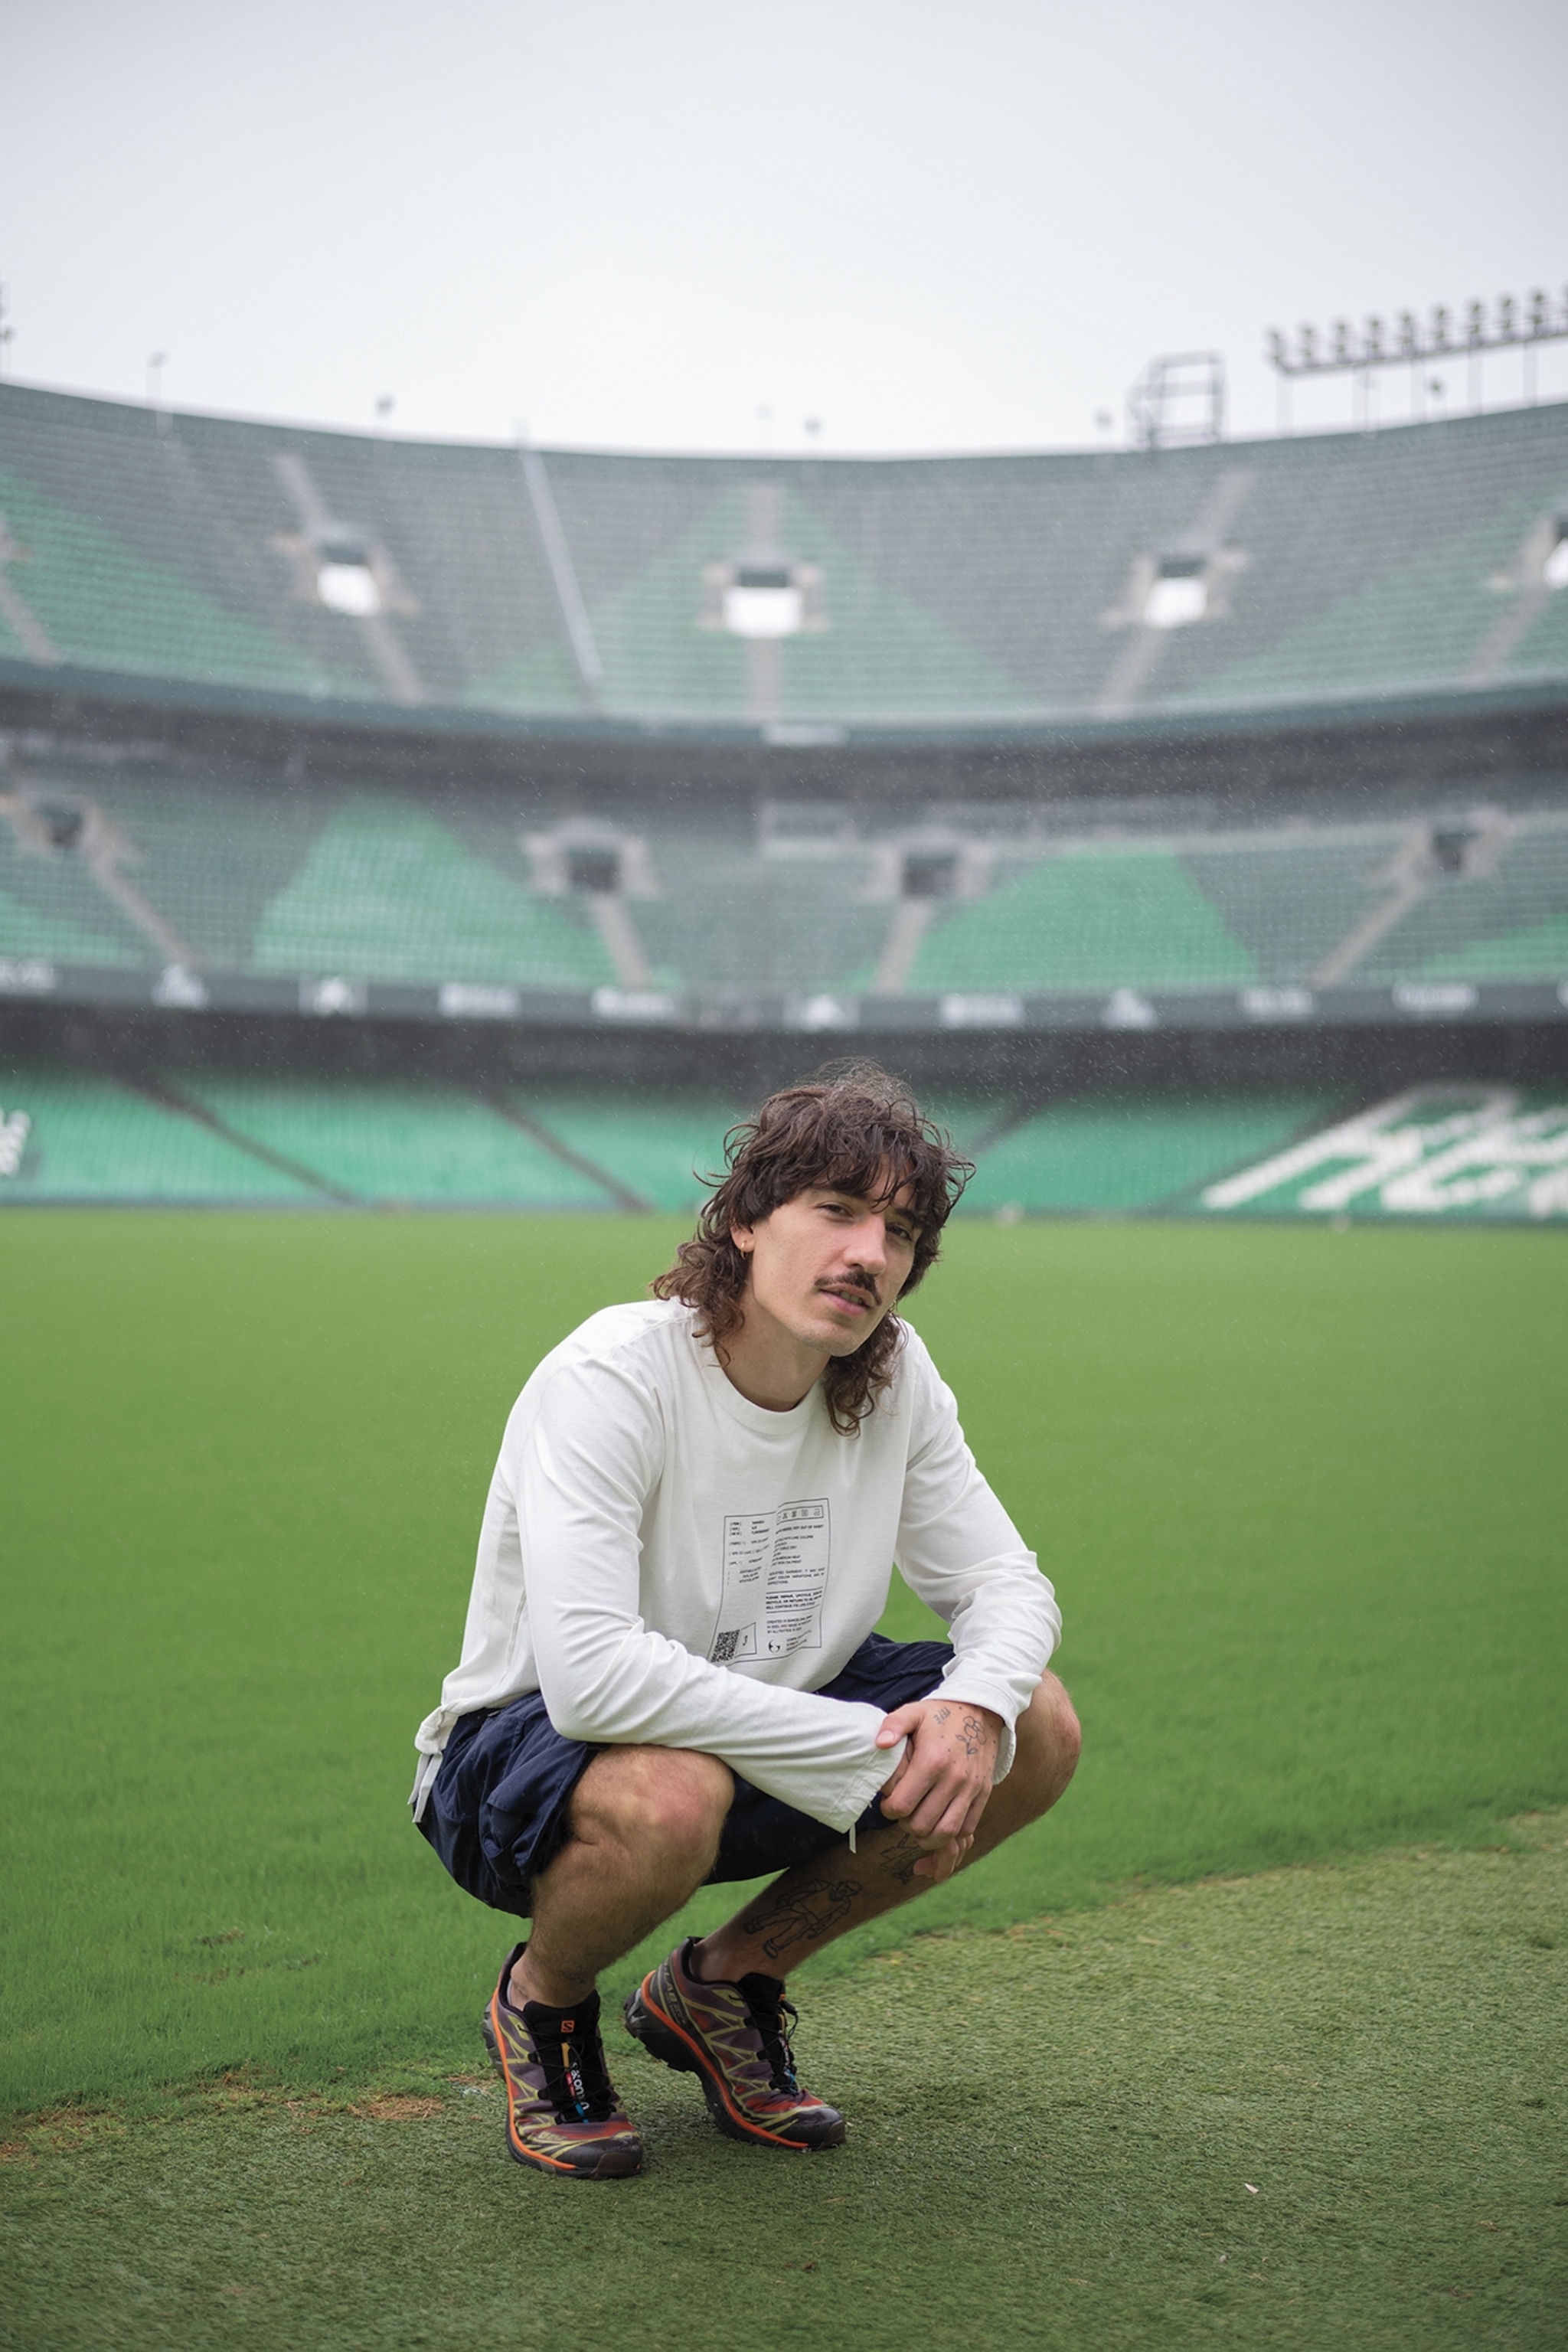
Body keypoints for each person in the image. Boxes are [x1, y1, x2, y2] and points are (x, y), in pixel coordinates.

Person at [411, 1065, 1080, 2180]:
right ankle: (546, 2002)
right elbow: (593, 1680)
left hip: (767, 1721)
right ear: (746, 1221)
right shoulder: (615, 1373)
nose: (869, 1253)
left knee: (1032, 1725)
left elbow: (1007, 1583)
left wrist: (969, 1710)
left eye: (900, 1231)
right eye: (837, 1209)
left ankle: (721, 1986)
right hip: (527, 1755)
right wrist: (870, 1748)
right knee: (675, 1790)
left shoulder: (894, 1376)